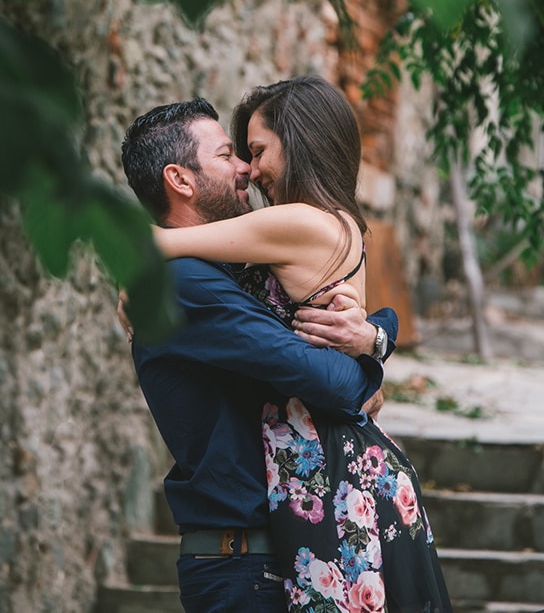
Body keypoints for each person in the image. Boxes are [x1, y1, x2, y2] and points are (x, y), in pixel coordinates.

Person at [153, 77, 452, 613]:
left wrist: (134, 278)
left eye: (259, 150)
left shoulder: (295, 223)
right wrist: (375, 342)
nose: (252, 168)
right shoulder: (332, 224)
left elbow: (164, 242)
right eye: (239, 154)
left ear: (298, 141)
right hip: (340, 459)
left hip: (334, 464)